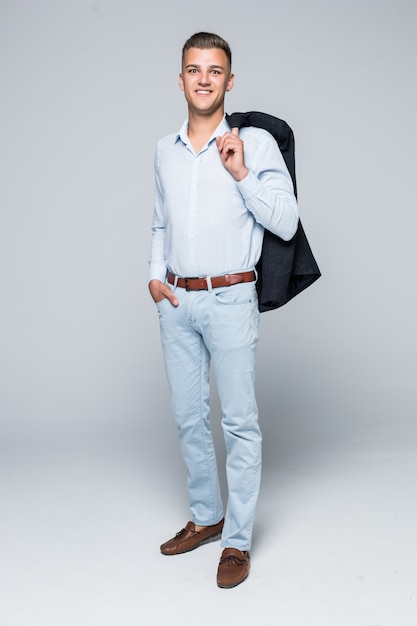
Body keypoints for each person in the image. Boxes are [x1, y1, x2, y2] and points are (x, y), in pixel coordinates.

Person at [148, 32, 298, 588]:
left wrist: (239, 172)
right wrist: (153, 277)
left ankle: (236, 542)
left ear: (229, 81)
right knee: (188, 417)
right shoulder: (165, 149)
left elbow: (285, 220)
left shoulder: (253, 144)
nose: (204, 79)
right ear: (181, 78)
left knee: (239, 424)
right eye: (194, 69)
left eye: (215, 71)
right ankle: (207, 517)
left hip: (232, 296)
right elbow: (161, 220)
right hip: (178, 299)